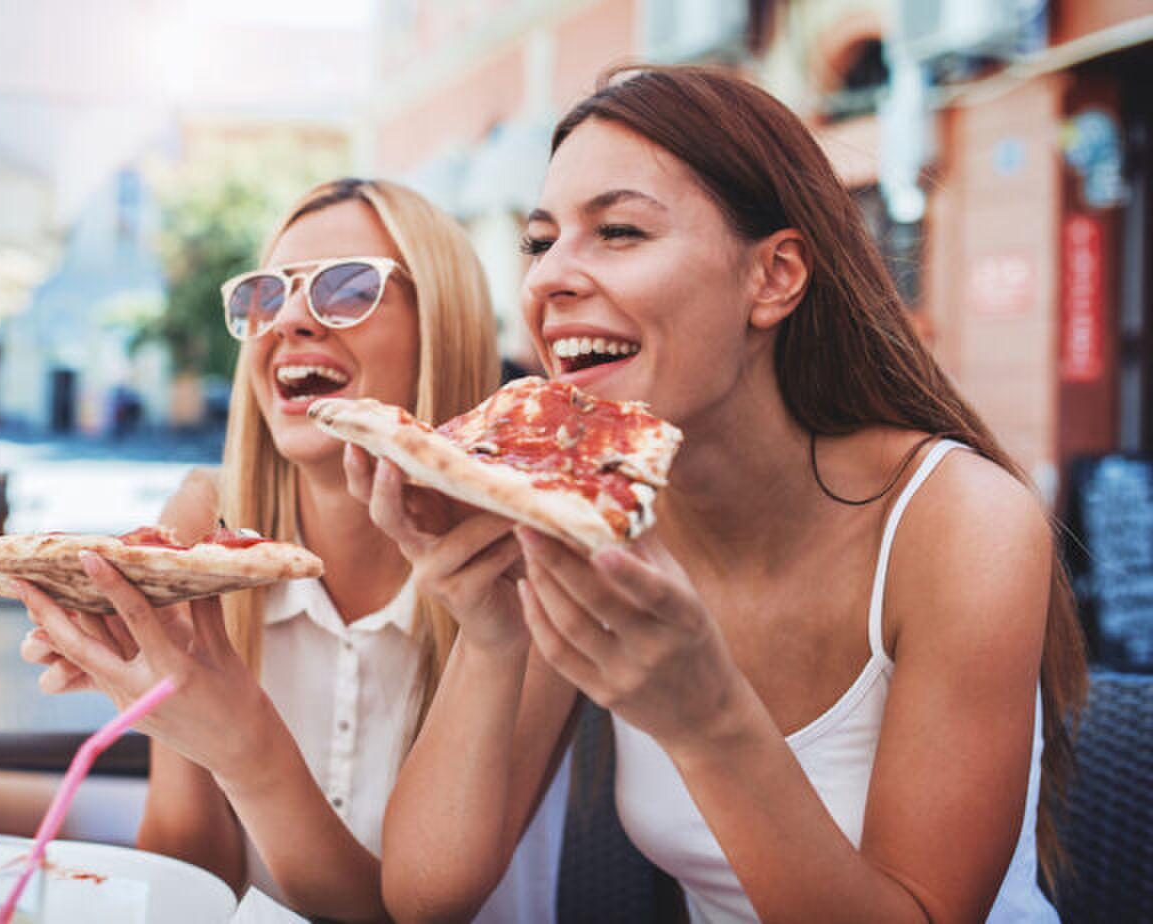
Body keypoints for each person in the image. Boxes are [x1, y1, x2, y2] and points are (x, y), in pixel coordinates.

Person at [348, 66, 1087, 923]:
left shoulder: (961, 521)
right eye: (540, 242)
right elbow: (425, 896)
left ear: (773, 277)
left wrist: (709, 721)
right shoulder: (581, 518)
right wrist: (488, 633)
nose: (550, 279)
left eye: (619, 230)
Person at [15, 178, 569, 922]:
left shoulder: (531, 557)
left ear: (443, 325)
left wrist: (246, 750)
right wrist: (165, 715)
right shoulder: (200, 524)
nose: (292, 319)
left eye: (347, 289)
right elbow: (185, 883)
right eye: (267, 296)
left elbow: (414, 916)